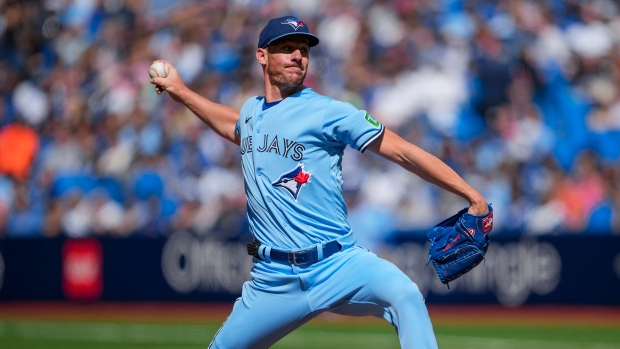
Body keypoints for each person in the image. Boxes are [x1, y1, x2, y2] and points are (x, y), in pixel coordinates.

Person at [151, 15, 489, 349]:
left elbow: (403, 152)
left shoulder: (329, 112)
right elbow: (233, 125)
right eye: (286, 48)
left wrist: (471, 194)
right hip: (273, 279)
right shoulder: (252, 112)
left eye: (303, 49)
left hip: (337, 263)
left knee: (405, 294)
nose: (298, 56)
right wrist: (181, 92)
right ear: (262, 56)